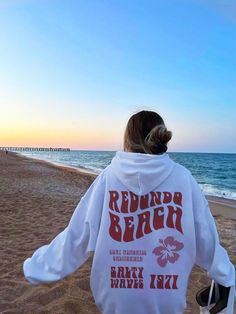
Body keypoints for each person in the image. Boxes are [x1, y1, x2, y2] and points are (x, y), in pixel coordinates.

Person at [23, 110, 235, 314]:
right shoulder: (183, 178)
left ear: (128, 140)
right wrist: (226, 275)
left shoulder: (109, 177)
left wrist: (37, 267)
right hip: (167, 296)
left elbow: (78, 233)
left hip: (115, 296)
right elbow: (205, 235)